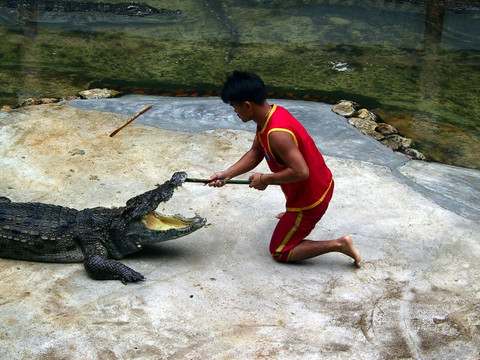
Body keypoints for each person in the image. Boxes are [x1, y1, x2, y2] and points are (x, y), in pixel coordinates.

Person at [207, 71, 361, 267]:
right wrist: (227, 174)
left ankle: (340, 244)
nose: (235, 112)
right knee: (287, 225)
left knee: (280, 251)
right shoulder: (270, 114)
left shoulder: (277, 133)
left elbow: (301, 172)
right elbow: (256, 152)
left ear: (247, 105)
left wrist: (264, 179)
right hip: (318, 183)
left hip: (311, 200)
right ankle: (292, 216)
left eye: (235, 107)